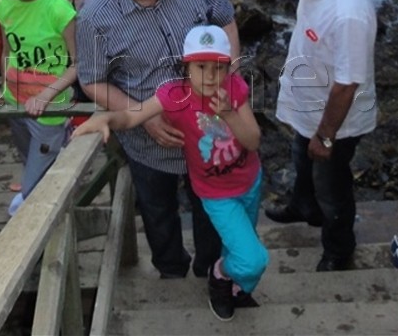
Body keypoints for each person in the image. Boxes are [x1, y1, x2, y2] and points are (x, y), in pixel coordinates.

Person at [76, 0, 238, 280]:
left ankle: (211, 271)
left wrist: (227, 80)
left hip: (209, 132)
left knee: (212, 208)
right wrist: (142, 116)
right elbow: (92, 81)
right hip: (150, 141)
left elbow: (226, 20)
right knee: (158, 211)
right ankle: (171, 272)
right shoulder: (95, 18)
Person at [77, 24, 266, 321]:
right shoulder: (174, 95)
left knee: (241, 245)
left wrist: (228, 112)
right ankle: (220, 276)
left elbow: (253, 140)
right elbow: (130, 116)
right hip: (216, 194)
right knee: (253, 258)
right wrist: (106, 119)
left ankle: (236, 288)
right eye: (200, 66)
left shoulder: (234, 88)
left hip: (249, 182)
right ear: (185, 67)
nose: (210, 76)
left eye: (218, 68)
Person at [265, 0, 378, 272]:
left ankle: (338, 249)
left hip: (335, 121)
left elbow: (347, 84)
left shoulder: (348, 10)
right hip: (309, 104)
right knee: (302, 158)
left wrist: (326, 137)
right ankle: (302, 205)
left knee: (333, 188)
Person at [0, 0, 77, 215]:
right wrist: (5, 86)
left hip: (49, 107)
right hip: (16, 102)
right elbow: (7, 49)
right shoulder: (4, 5)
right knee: (31, 160)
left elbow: (79, 63)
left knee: (34, 181)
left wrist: (46, 95)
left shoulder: (59, 9)